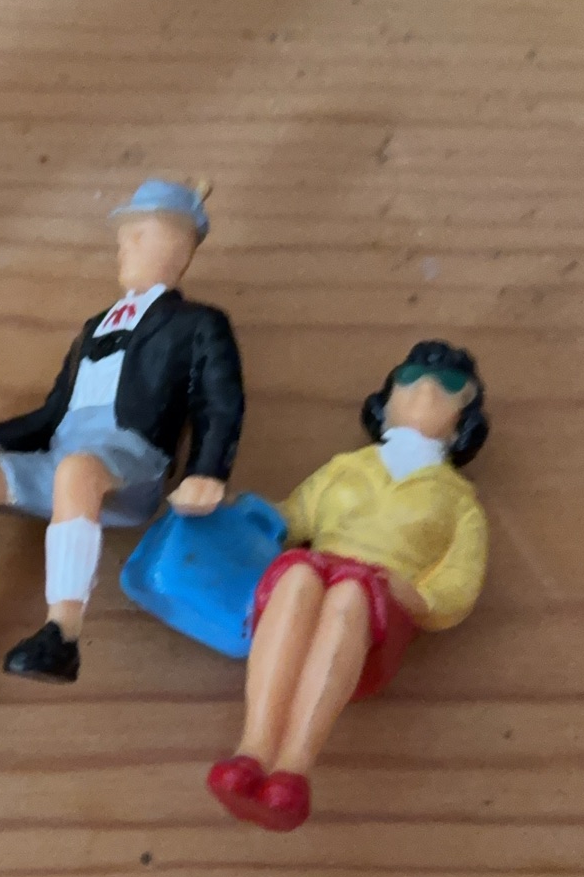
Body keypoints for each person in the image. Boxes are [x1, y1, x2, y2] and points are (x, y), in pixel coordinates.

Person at [0, 179, 245, 686]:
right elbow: (52, 413)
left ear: (178, 245)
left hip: (132, 462)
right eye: (123, 239)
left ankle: (62, 633)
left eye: (137, 236)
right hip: (65, 454)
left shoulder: (199, 324)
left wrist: (207, 472)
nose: (123, 249)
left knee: (77, 472)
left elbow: (220, 402)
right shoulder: (93, 327)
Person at [207, 340, 490, 832]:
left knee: (349, 596)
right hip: (315, 575)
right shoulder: (347, 467)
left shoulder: (460, 502)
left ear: (463, 423)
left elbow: (458, 586)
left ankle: (293, 768)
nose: (425, 391)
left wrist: (416, 596)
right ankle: (252, 750)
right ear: (385, 402)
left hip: (376, 615)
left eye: (447, 389)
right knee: (297, 575)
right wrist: (238, 509)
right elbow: (293, 517)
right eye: (410, 380)